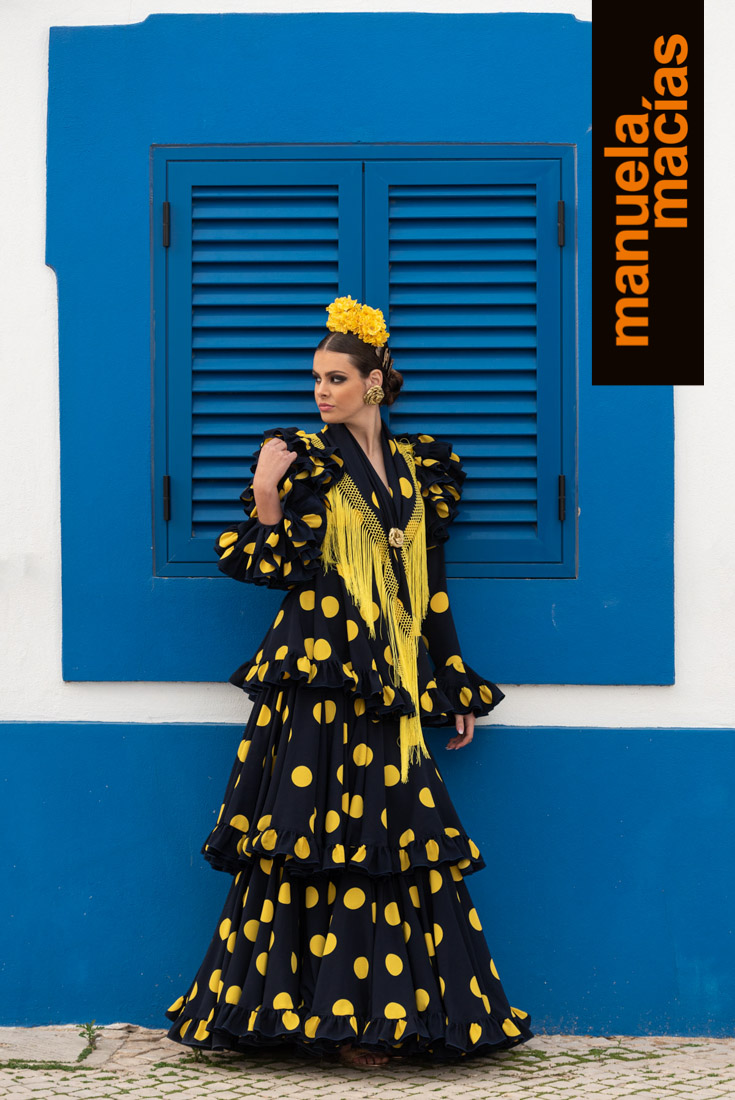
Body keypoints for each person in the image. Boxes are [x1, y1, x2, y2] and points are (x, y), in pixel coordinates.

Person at [165, 295, 534, 1066]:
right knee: (311, 840)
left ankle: (380, 1019)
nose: (320, 392)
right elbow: (267, 566)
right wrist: (267, 493)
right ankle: (313, 1019)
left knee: (390, 843)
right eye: (315, 379)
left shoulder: (418, 468)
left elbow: (429, 586)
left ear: (374, 381)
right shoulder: (300, 456)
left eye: (334, 378)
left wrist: (450, 677)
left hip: (391, 685)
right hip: (319, 679)